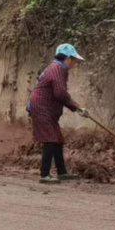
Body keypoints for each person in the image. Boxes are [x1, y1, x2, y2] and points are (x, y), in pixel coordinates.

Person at [27, 43, 87, 184]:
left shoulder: (55, 68)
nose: (75, 64)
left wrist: (76, 108)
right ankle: (44, 174)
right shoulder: (58, 69)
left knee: (58, 139)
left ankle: (62, 172)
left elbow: (59, 93)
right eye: (74, 60)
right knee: (50, 138)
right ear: (67, 58)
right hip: (41, 107)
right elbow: (60, 93)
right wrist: (77, 108)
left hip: (45, 107)